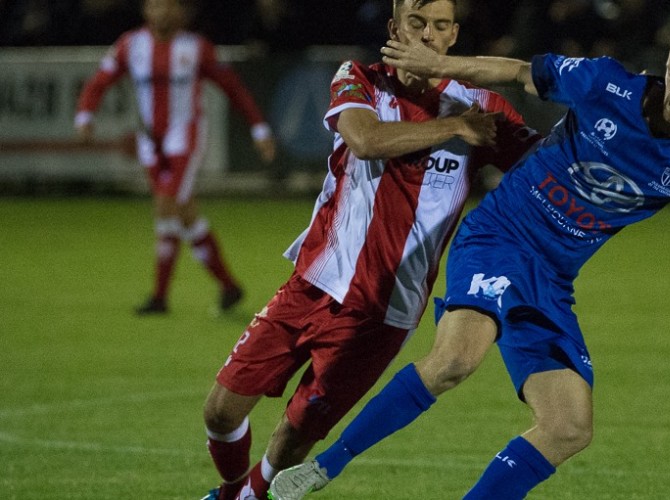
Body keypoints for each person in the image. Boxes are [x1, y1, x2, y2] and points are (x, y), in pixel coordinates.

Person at [271, 18, 670, 499]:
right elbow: (516, 71)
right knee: (456, 359)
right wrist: (440, 66)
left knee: (569, 427)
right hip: (500, 237)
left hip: (552, 280)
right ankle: (325, 467)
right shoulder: (607, 84)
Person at [198, 1, 540, 498]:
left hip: (383, 314)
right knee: (220, 411)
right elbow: (363, 138)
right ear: (394, 29)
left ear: (453, 36)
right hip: (314, 283)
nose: (427, 35)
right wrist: (452, 128)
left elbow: (544, 168)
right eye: (416, 23)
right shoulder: (360, 78)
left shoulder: (481, 106)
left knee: (296, 434)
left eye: (439, 26)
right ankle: (233, 490)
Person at [75, 0, 276, 315]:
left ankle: (159, 297)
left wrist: (259, 129)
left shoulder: (196, 48)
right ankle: (228, 286)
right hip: (150, 141)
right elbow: (101, 80)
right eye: (155, 5)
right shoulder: (131, 44)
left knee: (166, 205)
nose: (161, 12)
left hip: (185, 138)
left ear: (181, 12)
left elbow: (233, 88)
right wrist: (85, 114)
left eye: (168, 5)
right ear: (145, 10)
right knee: (185, 214)